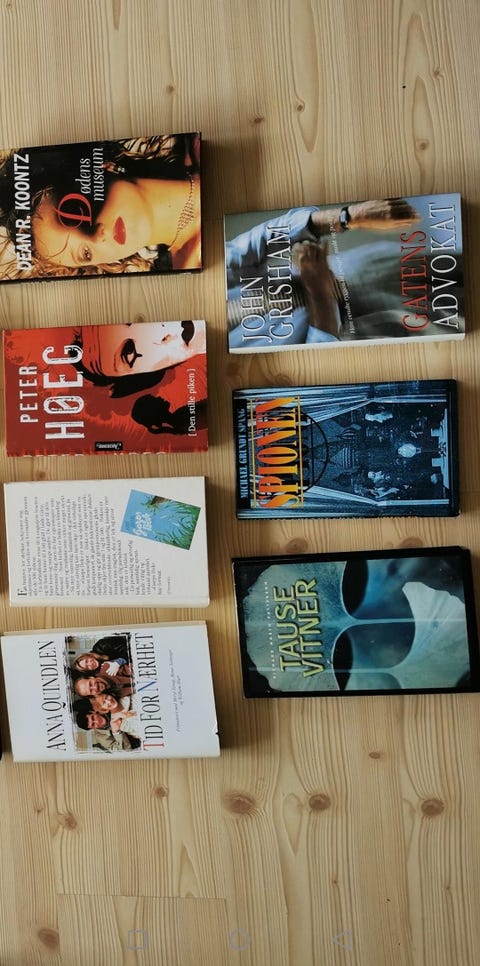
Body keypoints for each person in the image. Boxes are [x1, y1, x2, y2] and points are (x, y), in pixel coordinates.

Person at [226, 197, 461, 347]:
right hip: (374, 321)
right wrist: (319, 293)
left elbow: (263, 238)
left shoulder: (211, 274)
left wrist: (347, 217)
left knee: (458, 262)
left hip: (368, 269)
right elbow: (313, 364)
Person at [0, 133, 201, 279]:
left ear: (99, 165)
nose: (96, 236)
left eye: (74, 212)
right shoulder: (192, 275)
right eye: (86, 254)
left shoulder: (201, 140)